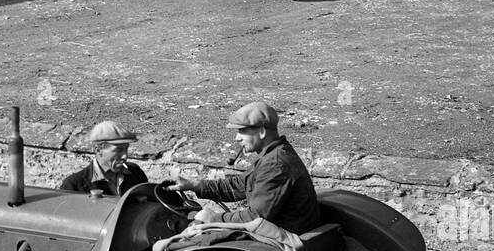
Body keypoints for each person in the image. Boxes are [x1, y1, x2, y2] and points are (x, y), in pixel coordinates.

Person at [173, 101, 320, 236]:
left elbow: (254, 218)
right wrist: (194, 185)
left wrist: (213, 218)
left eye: (241, 131)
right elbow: (239, 185)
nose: (237, 138)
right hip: (275, 230)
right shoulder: (272, 154)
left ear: (262, 132)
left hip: (280, 239)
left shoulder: (275, 164)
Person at [61, 120, 148, 195]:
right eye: (119, 150)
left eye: (126, 149)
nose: (125, 156)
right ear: (98, 150)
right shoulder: (74, 186)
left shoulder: (136, 173)